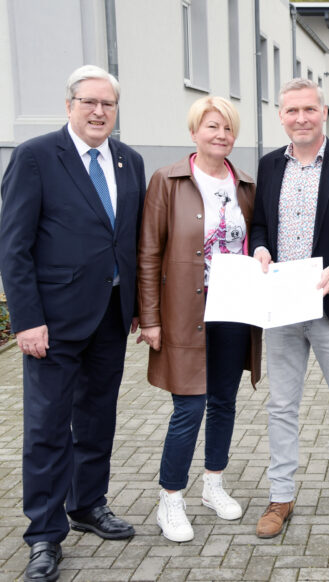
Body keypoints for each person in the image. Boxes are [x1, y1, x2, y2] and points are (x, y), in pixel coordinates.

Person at [0, 65, 145, 582]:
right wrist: (27, 320)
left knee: (97, 418)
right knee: (45, 429)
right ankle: (43, 534)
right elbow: (13, 246)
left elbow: (127, 240)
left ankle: (88, 505)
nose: (99, 111)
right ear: (69, 105)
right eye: (89, 102)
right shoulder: (37, 157)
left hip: (109, 316)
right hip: (52, 323)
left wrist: (136, 307)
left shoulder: (129, 160)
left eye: (107, 103)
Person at [250, 78, 329, 540]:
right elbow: (260, 223)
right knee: (282, 406)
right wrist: (261, 248)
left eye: (309, 110)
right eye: (292, 111)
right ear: (280, 116)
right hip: (282, 306)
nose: (301, 118)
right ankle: (280, 497)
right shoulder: (269, 166)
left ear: (322, 112)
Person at [137, 96, 262, 543]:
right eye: (212, 127)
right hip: (185, 312)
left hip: (234, 310)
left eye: (228, 128)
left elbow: (256, 243)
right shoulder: (167, 180)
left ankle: (213, 485)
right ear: (194, 132)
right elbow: (149, 252)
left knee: (225, 402)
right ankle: (170, 499)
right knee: (189, 405)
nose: (221, 135)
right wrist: (148, 317)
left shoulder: (245, 184)